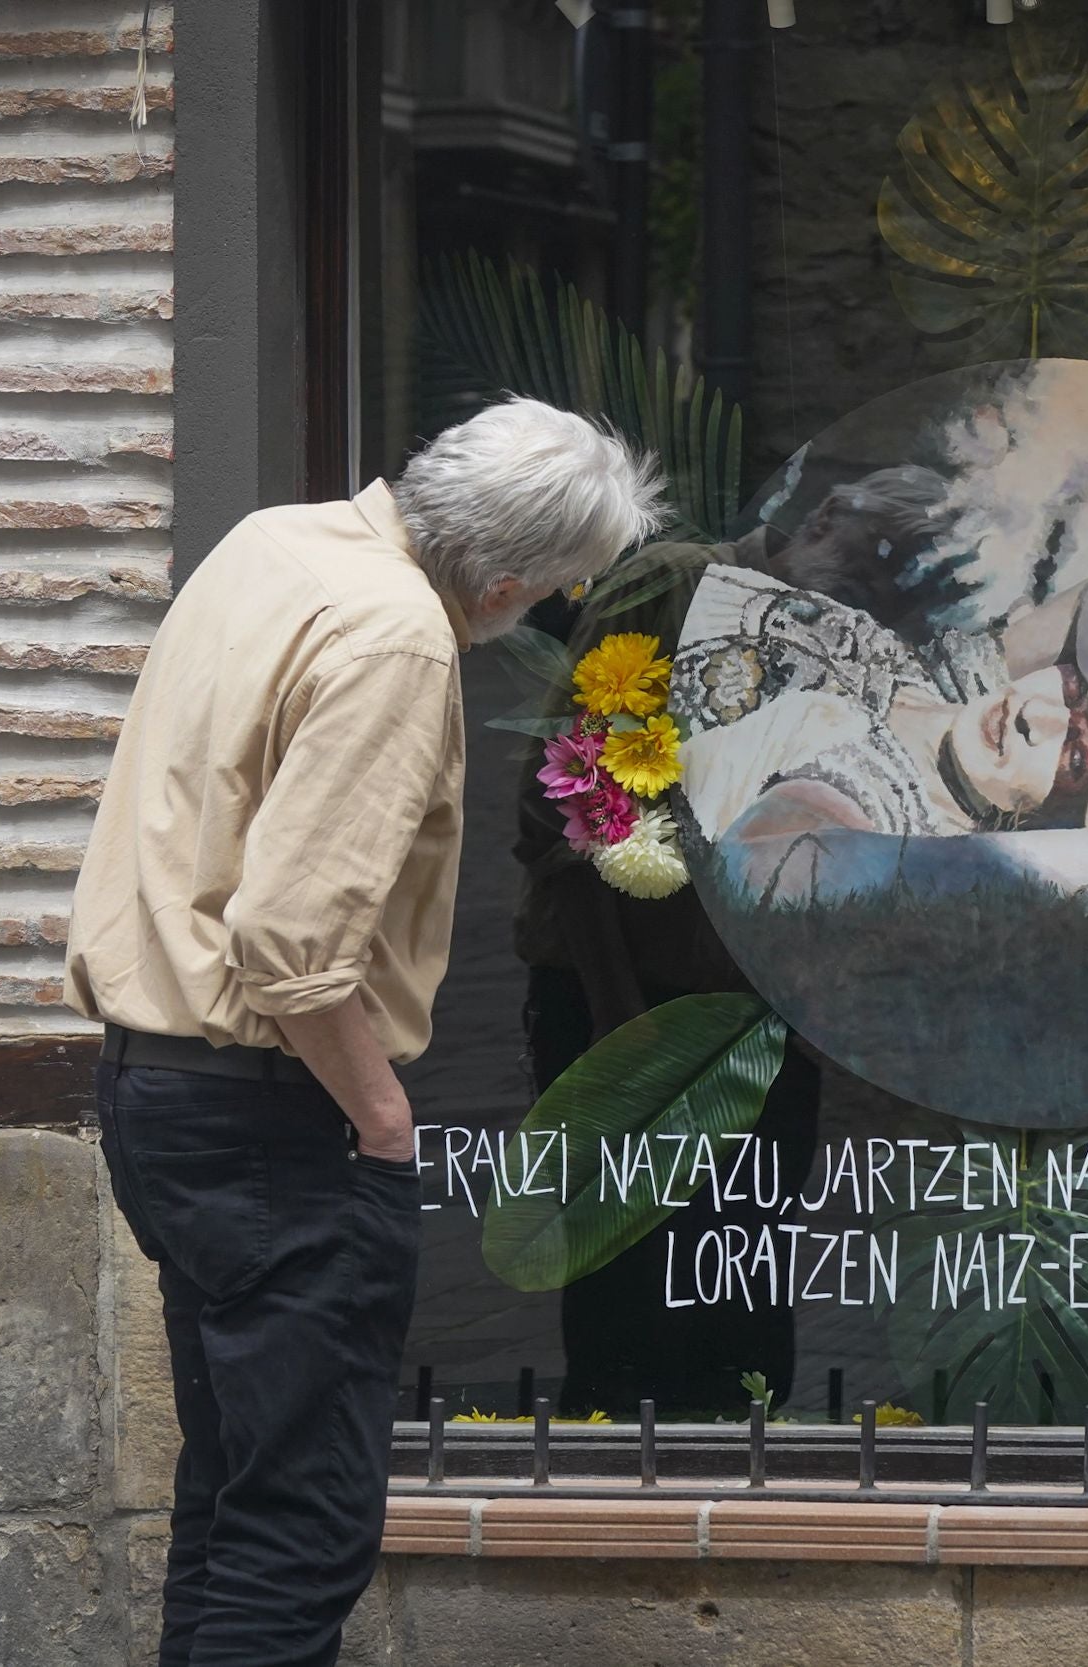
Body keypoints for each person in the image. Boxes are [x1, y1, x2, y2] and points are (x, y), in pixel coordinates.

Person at [65, 398, 665, 1667]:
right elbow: (288, 940)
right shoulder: (399, 638)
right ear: (502, 577)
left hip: (161, 1090)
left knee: (236, 1492)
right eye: (554, 588)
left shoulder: (274, 542)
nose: (549, 608)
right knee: (302, 1524)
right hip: (273, 1123)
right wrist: (382, 1116)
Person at [672, 557, 1088, 901]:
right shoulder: (961, 685)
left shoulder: (895, 803)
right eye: (1077, 690)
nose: (1039, 713)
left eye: (1077, 756)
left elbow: (763, 864)